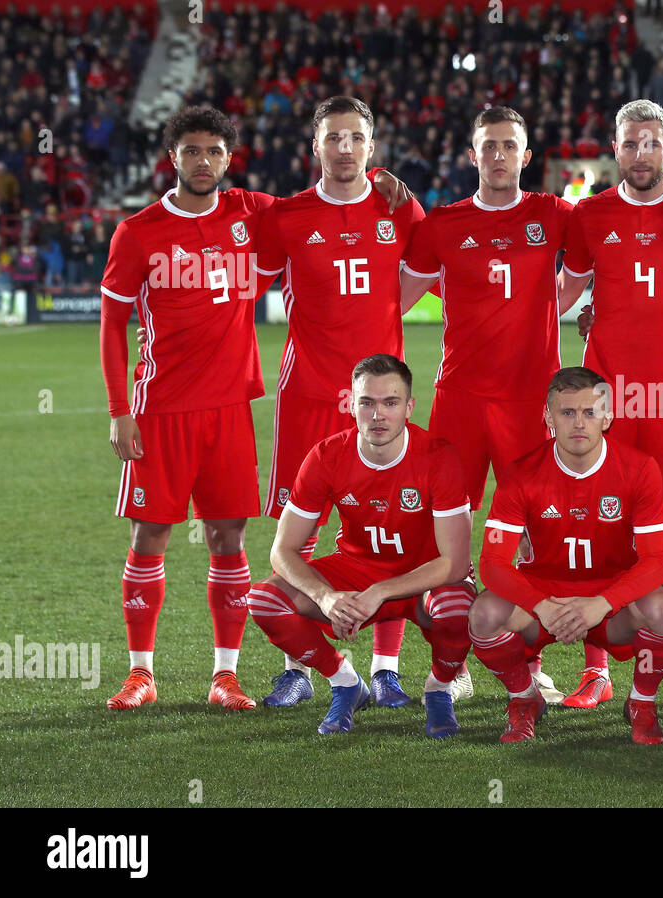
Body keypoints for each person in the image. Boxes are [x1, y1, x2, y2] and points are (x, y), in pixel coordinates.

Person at [251, 96, 434, 710]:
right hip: (306, 393)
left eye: (356, 137)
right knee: (295, 535)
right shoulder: (288, 215)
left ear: (372, 147)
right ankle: (300, 664)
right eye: (334, 137)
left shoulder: (399, 207)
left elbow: (422, 274)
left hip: (378, 395)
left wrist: (384, 313)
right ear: (316, 147)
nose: (345, 148)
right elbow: (250, 277)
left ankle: (385, 669)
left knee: (390, 527)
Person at [556, 99, 663, 710]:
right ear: (616, 150)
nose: (641, 154)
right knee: (599, 521)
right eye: (630, 144)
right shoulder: (590, 216)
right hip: (606, 400)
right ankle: (596, 668)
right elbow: (565, 291)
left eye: (652, 143)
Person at [99, 106, 269, 711]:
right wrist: (120, 410)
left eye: (214, 151)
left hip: (229, 410)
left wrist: (382, 186)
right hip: (160, 410)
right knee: (151, 535)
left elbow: (321, 204)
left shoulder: (251, 213)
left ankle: (225, 675)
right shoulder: (138, 231)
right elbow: (112, 322)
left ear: (229, 157)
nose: (203, 161)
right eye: (191, 151)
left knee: (229, 536)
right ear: (172, 157)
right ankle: (140, 673)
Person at [402, 106, 573, 704]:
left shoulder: (553, 214)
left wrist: (559, 303)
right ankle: (451, 659)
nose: (498, 156)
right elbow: (392, 298)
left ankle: (525, 656)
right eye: (488, 146)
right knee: (446, 531)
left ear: (527, 157)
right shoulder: (443, 224)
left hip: (531, 398)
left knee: (535, 532)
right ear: (471, 156)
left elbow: (614, 232)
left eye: (509, 146)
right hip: (462, 397)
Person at [245, 355, 475, 737]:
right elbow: (282, 551)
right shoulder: (325, 456)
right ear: (351, 405)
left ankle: (439, 689)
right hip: (356, 570)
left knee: (457, 607)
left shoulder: (439, 456)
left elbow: (454, 562)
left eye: (391, 402)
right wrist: (324, 596)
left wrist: (380, 592)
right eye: (366, 402)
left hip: (424, 577)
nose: (378, 414)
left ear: (409, 407)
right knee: (266, 599)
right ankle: (346, 683)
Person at [468, 367, 663, 745]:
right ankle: (524, 700)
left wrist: (601, 603)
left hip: (610, 598)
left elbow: (655, 562)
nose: (578, 423)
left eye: (589, 412)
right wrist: (543, 606)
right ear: (548, 417)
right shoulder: (521, 474)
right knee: (484, 614)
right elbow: (492, 564)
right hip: (542, 599)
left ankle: (642, 703)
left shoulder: (639, 469)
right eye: (566, 413)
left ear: (608, 416)